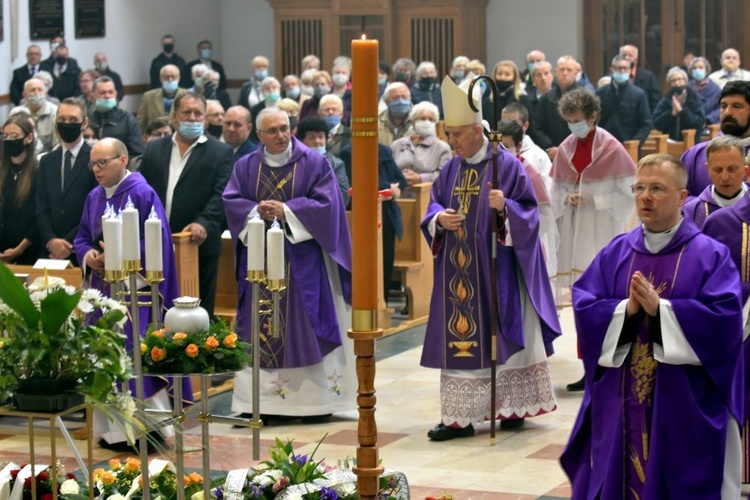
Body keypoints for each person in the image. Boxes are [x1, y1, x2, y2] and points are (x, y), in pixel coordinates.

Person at [561, 153, 743, 499]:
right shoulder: (616, 252)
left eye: (657, 188)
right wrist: (624, 311)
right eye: (640, 188)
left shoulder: (709, 254)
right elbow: (585, 306)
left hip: (683, 401)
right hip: (622, 398)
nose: (645, 197)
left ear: (682, 197)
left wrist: (663, 311)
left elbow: (725, 321)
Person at [418, 76, 560, 441]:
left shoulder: (507, 166)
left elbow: (531, 213)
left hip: (498, 272)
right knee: (462, 338)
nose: (452, 141)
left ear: (478, 131)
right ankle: (459, 417)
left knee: (502, 333)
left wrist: (506, 208)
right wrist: (438, 219)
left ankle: (511, 407)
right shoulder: (450, 168)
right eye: (449, 134)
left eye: (458, 134)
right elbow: (434, 201)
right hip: (458, 275)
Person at [224, 108, 355, 421]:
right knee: (257, 328)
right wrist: (256, 211)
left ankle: (313, 403)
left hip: (303, 264)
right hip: (260, 264)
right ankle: (259, 404)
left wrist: (288, 211)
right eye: (272, 131)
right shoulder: (246, 166)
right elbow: (231, 200)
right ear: (259, 135)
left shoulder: (314, 162)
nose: (281, 136)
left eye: (285, 128)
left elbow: (328, 204)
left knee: (304, 326)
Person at [73, 137, 187, 446]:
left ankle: (147, 430)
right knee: (104, 357)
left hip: (137, 294)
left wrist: (120, 258)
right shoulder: (94, 197)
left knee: (134, 356)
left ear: (123, 160)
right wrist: (90, 257)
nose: (96, 170)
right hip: (102, 293)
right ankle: (112, 432)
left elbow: (157, 241)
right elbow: (82, 237)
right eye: (93, 164)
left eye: (103, 163)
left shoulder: (141, 192)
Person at [551, 88, 637, 391]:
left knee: (605, 301)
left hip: (602, 234)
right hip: (575, 234)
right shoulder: (565, 148)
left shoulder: (611, 149)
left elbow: (629, 194)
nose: (574, 126)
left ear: (593, 117)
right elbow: (555, 190)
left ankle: (608, 365)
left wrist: (594, 199)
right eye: (569, 121)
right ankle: (588, 366)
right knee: (582, 303)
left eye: (578, 120)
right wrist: (567, 197)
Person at [139, 92, 233, 318]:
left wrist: (204, 223)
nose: (192, 118)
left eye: (198, 113)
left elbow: (222, 194)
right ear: (175, 117)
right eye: (186, 113)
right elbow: (142, 191)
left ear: (206, 118)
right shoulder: (154, 149)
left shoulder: (220, 152)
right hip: (157, 243)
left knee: (198, 316)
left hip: (197, 243)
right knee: (159, 311)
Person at [36, 98, 97, 265]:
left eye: (73, 120)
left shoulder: (96, 158)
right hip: (49, 251)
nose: (66, 123)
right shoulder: (47, 161)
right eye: (62, 120)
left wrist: (67, 243)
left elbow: (95, 209)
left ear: (84, 123)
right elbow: (41, 207)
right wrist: (51, 240)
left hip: (83, 248)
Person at [498, 118, 558, 279]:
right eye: (498, 145)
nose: (501, 150)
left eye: (506, 146)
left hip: (523, 245)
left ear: (518, 146)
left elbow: (543, 216)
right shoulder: (491, 168)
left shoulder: (528, 173)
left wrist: (508, 210)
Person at [682, 81, 750, 197]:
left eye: (737, 106)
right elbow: (678, 199)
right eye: (723, 106)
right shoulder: (694, 156)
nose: (727, 112)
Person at [683, 135, 748, 229]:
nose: (725, 177)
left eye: (731, 169)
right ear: (707, 169)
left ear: (745, 169)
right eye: (718, 170)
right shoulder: (691, 211)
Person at [0, 114, 39, 264]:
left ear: (28, 138)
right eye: (5, 136)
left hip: (28, 252)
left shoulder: (38, 171)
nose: (9, 140)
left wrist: (18, 250)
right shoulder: (2, 171)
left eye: (14, 135)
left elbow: (38, 217)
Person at [391, 101, 451, 197]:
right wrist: (400, 177)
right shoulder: (397, 145)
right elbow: (388, 171)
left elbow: (445, 175)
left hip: (427, 198)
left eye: (431, 119)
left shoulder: (442, 148)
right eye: (422, 118)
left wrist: (420, 178)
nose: (427, 122)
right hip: (399, 197)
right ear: (413, 121)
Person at [596, 55, 652, 148]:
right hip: (605, 146)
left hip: (630, 147)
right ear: (612, 70)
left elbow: (646, 123)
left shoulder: (639, 94)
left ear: (630, 70)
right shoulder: (601, 93)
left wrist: (634, 144)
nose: (622, 71)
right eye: (619, 68)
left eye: (625, 68)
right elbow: (594, 120)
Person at [532, 55, 581, 160]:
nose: (565, 73)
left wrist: (565, 149)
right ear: (556, 72)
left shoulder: (584, 96)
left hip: (576, 152)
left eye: (569, 70)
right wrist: (550, 147)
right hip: (550, 154)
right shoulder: (546, 98)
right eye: (562, 69)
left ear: (576, 72)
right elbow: (537, 127)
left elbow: (587, 128)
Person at [296, 116, 350, 207]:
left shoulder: (336, 164)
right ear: (301, 141)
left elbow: (344, 196)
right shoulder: (295, 163)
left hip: (329, 212)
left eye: (321, 137)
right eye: (311, 137)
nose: (317, 141)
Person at [88, 76, 145, 157]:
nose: (107, 96)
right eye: (102, 93)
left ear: (115, 95)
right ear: (92, 97)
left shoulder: (127, 120)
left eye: (110, 92)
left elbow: (137, 154)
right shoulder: (88, 120)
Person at [652, 67, 705, 141]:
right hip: (670, 143)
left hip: (691, 142)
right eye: (673, 80)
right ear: (670, 84)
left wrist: (682, 111)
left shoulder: (694, 99)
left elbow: (699, 122)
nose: (677, 83)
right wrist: (672, 114)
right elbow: (656, 123)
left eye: (679, 79)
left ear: (685, 81)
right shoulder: (665, 101)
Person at [10, 78, 58, 153]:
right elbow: (11, 142)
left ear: (45, 93)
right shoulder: (16, 112)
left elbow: (57, 145)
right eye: (32, 90)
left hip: (47, 158)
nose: (37, 93)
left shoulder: (55, 112)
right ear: (24, 95)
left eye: (40, 90)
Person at [482, 60, 531, 129]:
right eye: (499, 74)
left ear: (514, 78)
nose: (503, 78)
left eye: (507, 74)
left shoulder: (523, 100)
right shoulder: (487, 102)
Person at [137, 65, 185, 133]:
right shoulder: (148, 96)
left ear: (178, 78)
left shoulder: (188, 96)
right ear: (161, 78)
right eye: (166, 77)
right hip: (155, 136)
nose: (170, 80)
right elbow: (140, 122)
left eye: (173, 77)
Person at [619, 44, 662, 112]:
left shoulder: (649, 78)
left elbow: (655, 103)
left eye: (630, 55)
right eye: (624, 55)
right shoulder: (613, 76)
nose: (626, 57)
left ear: (636, 59)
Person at [688, 56, 721, 124]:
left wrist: (708, 119)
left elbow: (720, 108)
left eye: (700, 67)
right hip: (690, 125)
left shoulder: (715, 89)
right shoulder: (687, 88)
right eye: (695, 68)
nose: (697, 70)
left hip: (710, 125)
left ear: (706, 71)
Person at [378, 82, 413, 147]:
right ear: (386, 101)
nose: (401, 101)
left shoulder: (419, 120)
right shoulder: (377, 123)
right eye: (395, 98)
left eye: (404, 97)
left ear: (410, 98)